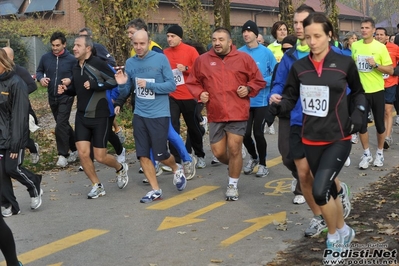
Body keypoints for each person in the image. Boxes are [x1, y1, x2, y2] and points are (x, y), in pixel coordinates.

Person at [271, 12, 365, 259]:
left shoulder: (344, 63)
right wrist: (279, 105)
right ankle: (344, 230)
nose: (312, 42)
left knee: (320, 190)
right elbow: (290, 96)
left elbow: (358, 93)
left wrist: (359, 114)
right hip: (310, 137)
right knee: (328, 193)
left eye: (317, 36)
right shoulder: (299, 67)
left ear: (329, 35)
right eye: (308, 36)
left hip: (338, 137)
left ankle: (334, 239)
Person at [186, 27, 266, 200]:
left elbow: (258, 80)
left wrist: (248, 88)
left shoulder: (244, 59)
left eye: (221, 39)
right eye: (214, 39)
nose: (217, 43)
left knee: (234, 148)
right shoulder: (202, 60)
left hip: (237, 112)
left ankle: (232, 185)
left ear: (230, 42)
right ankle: (235, 164)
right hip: (216, 113)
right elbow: (193, 82)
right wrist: (200, 93)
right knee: (218, 152)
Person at [114, 30, 187, 203]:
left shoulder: (160, 59)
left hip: (159, 114)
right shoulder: (130, 63)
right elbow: (127, 90)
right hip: (139, 114)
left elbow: (171, 86)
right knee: (143, 154)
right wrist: (122, 86)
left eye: (142, 43)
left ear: (148, 42)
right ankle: (156, 190)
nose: (138, 47)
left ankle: (176, 168)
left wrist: (149, 85)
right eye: (135, 44)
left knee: (161, 154)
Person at [57, 35, 129, 199]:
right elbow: (77, 88)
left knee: (100, 156)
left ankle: (120, 168)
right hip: (82, 116)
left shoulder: (98, 63)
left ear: (88, 48)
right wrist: (66, 90)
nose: (74, 48)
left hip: (100, 115)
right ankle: (97, 185)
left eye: (78, 45)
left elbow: (113, 81)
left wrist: (96, 85)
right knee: (83, 154)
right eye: (74, 45)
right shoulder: (76, 66)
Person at [126, 19, 196, 180]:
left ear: (145, 36)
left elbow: (169, 82)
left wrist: (150, 85)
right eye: (130, 36)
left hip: (160, 105)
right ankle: (154, 166)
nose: (131, 38)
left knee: (170, 133)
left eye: (132, 33)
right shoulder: (133, 55)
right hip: (143, 106)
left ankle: (185, 159)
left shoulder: (156, 52)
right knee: (155, 135)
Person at [0, 49, 43, 217]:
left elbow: (19, 117)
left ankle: (34, 184)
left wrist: (15, 145)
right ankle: (8, 204)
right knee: (0, 173)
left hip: (14, 136)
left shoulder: (16, 83)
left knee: (12, 169)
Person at [351, 18, 393, 169]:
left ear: (373, 30)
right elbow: (352, 67)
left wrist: (376, 65)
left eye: (367, 28)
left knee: (379, 125)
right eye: (362, 27)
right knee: (361, 125)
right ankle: (367, 153)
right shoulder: (355, 46)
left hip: (377, 91)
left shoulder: (380, 47)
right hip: (361, 93)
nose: (363, 30)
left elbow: (390, 70)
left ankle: (380, 153)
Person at [164, 25, 206, 169]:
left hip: (189, 95)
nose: (169, 39)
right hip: (172, 95)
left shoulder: (190, 51)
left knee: (193, 127)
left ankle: (200, 155)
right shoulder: (165, 53)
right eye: (168, 36)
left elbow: (201, 70)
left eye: (172, 36)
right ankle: (175, 160)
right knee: (173, 127)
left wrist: (187, 69)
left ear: (180, 37)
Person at [239, 20, 277, 177]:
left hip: (261, 100)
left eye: (249, 31)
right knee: (245, 134)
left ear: (256, 34)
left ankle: (263, 164)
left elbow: (275, 74)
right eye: (244, 32)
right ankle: (253, 157)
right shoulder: (239, 53)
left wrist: (260, 83)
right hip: (244, 100)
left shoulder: (266, 52)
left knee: (258, 133)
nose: (246, 34)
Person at [36, 31, 78, 168]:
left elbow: (77, 75)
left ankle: (62, 155)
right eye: (53, 45)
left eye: (58, 45)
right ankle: (76, 149)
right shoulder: (45, 57)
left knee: (60, 124)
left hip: (66, 95)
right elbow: (38, 71)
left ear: (64, 44)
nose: (55, 48)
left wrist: (70, 80)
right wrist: (41, 78)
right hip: (52, 95)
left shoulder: (72, 59)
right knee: (63, 124)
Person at [3, 46, 40, 164]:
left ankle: (31, 149)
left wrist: (18, 94)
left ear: (12, 57)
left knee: (22, 137)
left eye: (6, 56)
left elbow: (33, 86)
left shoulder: (20, 71)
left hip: (22, 109)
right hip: (5, 112)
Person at [374, 27, 399, 149]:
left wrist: (395, 70)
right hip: (375, 83)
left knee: (388, 110)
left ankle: (387, 137)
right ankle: (384, 133)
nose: (379, 36)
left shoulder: (394, 48)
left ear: (386, 36)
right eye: (377, 34)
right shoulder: (371, 48)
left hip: (390, 82)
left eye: (381, 34)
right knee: (380, 112)